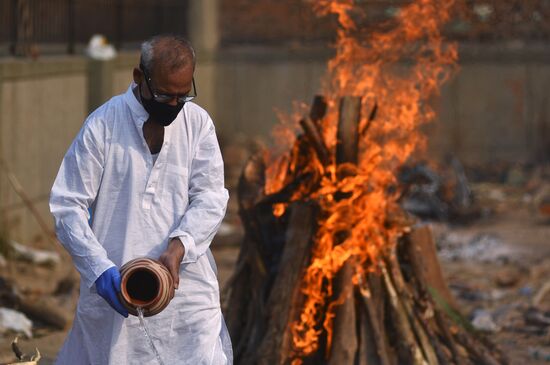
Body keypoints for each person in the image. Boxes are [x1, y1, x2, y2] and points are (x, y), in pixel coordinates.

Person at [49, 35, 232, 364]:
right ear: (139, 78)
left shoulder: (197, 123)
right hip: (118, 290)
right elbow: (68, 206)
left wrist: (180, 246)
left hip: (186, 290)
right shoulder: (103, 126)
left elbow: (211, 196)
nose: (174, 105)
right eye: (164, 95)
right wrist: (100, 269)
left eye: (183, 95)